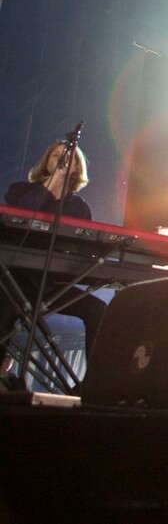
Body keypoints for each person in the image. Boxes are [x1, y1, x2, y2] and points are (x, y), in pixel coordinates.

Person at [2, 140, 107, 374]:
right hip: (13, 282)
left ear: (77, 168)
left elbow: (84, 249)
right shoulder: (20, 190)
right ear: (47, 162)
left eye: (68, 158)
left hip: (52, 286)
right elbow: (25, 212)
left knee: (97, 309)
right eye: (56, 155)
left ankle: (93, 385)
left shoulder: (79, 207)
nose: (61, 160)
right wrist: (51, 186)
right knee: (5, 310)